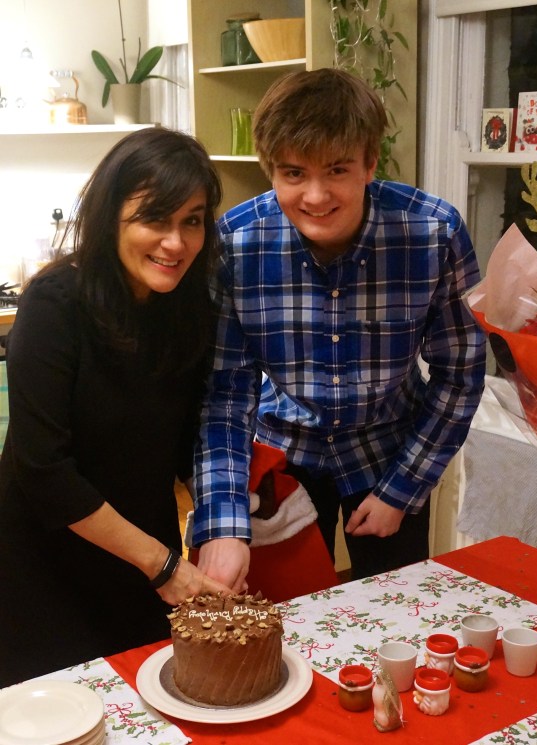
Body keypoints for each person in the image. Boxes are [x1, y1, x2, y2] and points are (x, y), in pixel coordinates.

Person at [192, 68, 486, 587]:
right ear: (270, 170)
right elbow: (224, 398)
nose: (316, 195)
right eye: (293, 174)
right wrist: (223, 521)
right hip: (283, 457)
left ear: (370, 163)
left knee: (397, 622)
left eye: (337, 170)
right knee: (279, 629)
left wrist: (403, 488)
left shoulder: (433, 233)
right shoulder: (235, 245)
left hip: (392, 451)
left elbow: (459, 373)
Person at [0, 127, 233, 687]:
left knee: (146, 702)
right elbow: (43, 470)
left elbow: (185, 443)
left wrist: (227, 519)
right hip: (45, 561)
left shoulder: (187, 310)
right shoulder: (56, 303)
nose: (175, 243)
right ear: (111, 218)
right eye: (155, 218)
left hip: (141, 559)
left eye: (193, 220)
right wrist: (163, 565)